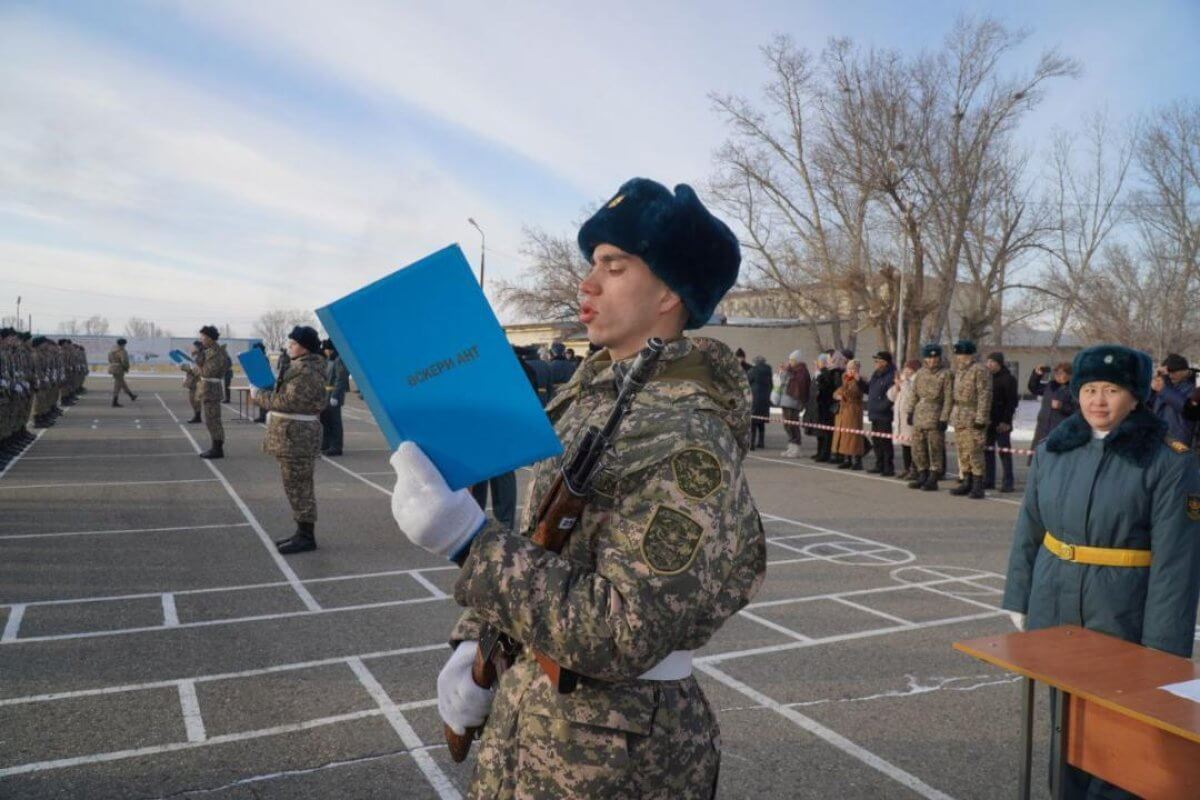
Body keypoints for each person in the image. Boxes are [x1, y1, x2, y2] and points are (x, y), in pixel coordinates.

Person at [390, 177, 765, 799]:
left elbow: (625, 630)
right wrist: (475, 640)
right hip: (536, 716)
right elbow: (543, 543)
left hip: (614, 756)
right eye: (593, 264)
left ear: (670, 291)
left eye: (614, 267)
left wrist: (467, 541)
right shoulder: (596, 397)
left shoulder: (688, 438)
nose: (587, 284)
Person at [1002, 344, 1200, 800]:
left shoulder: (1168, 461)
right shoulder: (1055, 449)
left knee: (1121, 732)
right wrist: (1019, 595)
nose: (1098, 400)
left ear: (1135, 396)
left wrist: (1163, 646)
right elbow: (1029, 528)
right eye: (1089, 389)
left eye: (1112, 390)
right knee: (1065, 724)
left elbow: (1177, 563)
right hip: (1056, 600)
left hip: (1122, 610)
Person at [254, 326, 327, 554]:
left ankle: (306, 537)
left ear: (304, 347)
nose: (289, 347)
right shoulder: (302, 367)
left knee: (299, 487)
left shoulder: (307, 371)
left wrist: (259, 396)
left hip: (297, 437)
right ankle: (301, 531)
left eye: (293, 343)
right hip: (292, 436)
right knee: (294, 485)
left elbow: (289, 402)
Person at [948, 340, 991, 499]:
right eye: (959, 354)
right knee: (963, 450)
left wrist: (981, 417)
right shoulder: (959, 370)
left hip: (973, 415)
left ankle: (978, 484)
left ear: (970, 355)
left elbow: (984, 395)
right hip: (960, 415)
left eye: (963, 354)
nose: (960, 357)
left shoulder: (979, 370)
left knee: (975, 450)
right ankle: (966, 481)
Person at [908, 344, 952, 491]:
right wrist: (910, 411)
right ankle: (922, 474)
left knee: (934, 448)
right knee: (918, 447)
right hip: (920, 414)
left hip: (935, 414)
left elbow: (948, 398)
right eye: (929, 358)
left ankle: (933, 477)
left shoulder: (946, 374)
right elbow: (914, 394)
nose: (932, 361)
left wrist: (944, 418)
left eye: (935, 358)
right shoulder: (920, 373)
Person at [192, 326, 229, 459]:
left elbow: (207, 371)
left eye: (203, 337)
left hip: (211, 389)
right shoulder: (208, 351)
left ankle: (217, 449)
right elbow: (201, 367)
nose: (200, 339)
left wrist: (198, 364)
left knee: (213, 420)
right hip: (207, 388)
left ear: (210, 338)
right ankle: (215, 447)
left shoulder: (217, 353)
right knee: (210, 419)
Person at [984, 352, 1018, 493]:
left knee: (1004, 452)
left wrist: (1006, 421)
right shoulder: (987, 378)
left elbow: (1012, 402)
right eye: (988, 362)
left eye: (992, 362)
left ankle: (1008, 482)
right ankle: (989, 480)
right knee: (987, 451)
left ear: (999, 363)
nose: (989, 365)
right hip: (988, 421)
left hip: (1002, 421)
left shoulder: (1008, 379)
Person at [1149, 354, 1196, 448]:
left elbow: (1186, 407)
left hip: (1179, 442)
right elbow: (1148, 405)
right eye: (1168, 372)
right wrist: (1151, 390)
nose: (1171, 375)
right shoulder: (1164, 386)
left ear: (1185, 370)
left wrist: (1164, 390)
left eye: (1174, 371)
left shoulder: (1193, 388)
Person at [1028, 361, 1075, 456]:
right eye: (1056, 372)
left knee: (1055, 460)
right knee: (1038, 459)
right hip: (1042, 428)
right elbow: (1033, 388)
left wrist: (1062, 406)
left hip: (1059, 429)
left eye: (1061, 373)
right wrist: (1036, 375)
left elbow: (1077, 410)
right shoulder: (1050, 386)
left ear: (1069, 375)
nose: (1057, 375)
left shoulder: (1073, 390)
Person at [832, 358, 866, 470]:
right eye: (849, 368)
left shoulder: (859, 380)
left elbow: (854, 393)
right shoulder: (846, 379)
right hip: (844, 411)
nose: (851, 371)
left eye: (853, 369)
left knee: (854, 437)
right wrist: (838, 395)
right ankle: (847, 459)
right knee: (844, 436)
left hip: (853, 411)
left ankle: (857, 460)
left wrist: (843, 392)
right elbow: (837, 392)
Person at [888, 359, 920, 481]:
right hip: (900, 419)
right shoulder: (903, 382)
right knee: (905, 446)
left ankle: (914, 469)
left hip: (910, 418)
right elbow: (890, 396)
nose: (906, 372)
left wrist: (903, 383)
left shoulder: (915, 382)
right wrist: (897, 385)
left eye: (909, 370)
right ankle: (907, 469)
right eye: (905, 369)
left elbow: (911, 395)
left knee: (912, 446)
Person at [866, 351, 896, 475]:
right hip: (875, 413)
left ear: (884, 362)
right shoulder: (876, 374)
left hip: (884, 414)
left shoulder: (890, 376)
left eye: (878, 361)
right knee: (877, 441)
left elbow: (891, 396)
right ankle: (879, 464)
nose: (876, 363)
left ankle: (888, 467)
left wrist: (882, 407)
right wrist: (859, 382)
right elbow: (869, 390)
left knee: (885, 442)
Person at [320, 338, 350, 456]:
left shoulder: (339, 360)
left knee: (335, 422)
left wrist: (335, 396)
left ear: (330, 349)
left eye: (326, 349)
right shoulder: (329, 360)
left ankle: (336, 446)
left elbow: (341, 379)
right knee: (326, 420)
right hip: (326, 395)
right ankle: (326, 443)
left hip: (333, 396)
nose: (325, 351)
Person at [778, 350, 809, 457]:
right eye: (790, 360)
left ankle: (796, 447)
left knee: (793, 424)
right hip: (785, 400)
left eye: (793, 360)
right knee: (787, 425)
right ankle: (791, 446)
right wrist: (783, 372)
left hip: (794, 401)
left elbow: (801, 385)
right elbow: (782, 382)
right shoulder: (790, 370)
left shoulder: (802, 371)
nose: (790, 362)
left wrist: (788, 373)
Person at [747, 355, 772, 450]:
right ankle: (761, 442)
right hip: (765, 399)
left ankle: (751, 443)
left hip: (755, 398)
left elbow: (747, 382)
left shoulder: (753, 371)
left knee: (753, 421)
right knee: (761, 421)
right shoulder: (768, 371)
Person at [107, 337, 137, 407]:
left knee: (122, 383)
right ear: (123, 344)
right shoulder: (122, 351)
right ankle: (114, 401)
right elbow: (124, 361)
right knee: (117, 385)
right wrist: (126, 367)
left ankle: (131, 395)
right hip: (119, 369)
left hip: (113, 368)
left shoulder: (112, 350)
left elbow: (109, 359)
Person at [180, 340, 203, 424]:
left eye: (193, 346)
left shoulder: (200, 357)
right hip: (192, 381)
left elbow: (197, 371)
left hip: (197, 382)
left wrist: (186, 368)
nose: (192, 348)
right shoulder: (193, 356)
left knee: (195, 400)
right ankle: (196, 416)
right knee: (192, 399)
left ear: (198, 347)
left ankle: (197, 417)